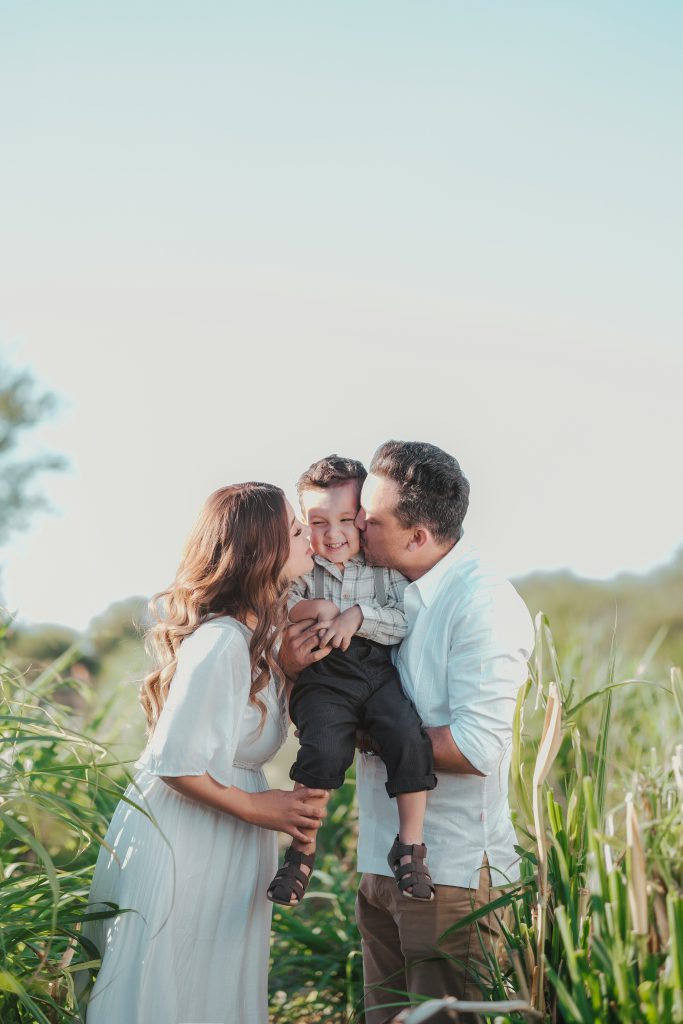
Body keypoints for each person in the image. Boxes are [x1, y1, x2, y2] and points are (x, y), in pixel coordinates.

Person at [280, 441, 535, 1024]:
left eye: (372, 518)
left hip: (450, 879)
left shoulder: (481, 603)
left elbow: (477, 747)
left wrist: (361, 734)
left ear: (418, 536)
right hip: (380, 865)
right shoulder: (384, 586)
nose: (357, 526)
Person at [80, 483, 329, 1024]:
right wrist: (267, 809)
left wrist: (283, 671)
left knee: (206, 984)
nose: (308, 536)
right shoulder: (221, 643)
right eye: (293, 530)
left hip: (222, 835)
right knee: (182, 983)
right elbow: (176, 764)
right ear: (262, 552)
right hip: (192, 839)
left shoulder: (248, 641)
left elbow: (229, 729)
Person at [267, 455, 437, 908]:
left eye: (346, 519)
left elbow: (404, 621)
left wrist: (357, 617)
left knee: (406, 733)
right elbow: (282, 613)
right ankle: (301, 851)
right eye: (318, 522)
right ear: (304, 524)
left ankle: (410, 846)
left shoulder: (385, 569)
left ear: (363, 518)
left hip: (377, 671)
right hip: (325, 678)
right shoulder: (305, 570)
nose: (334, 534)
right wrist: (316, 612)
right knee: (322, 747)